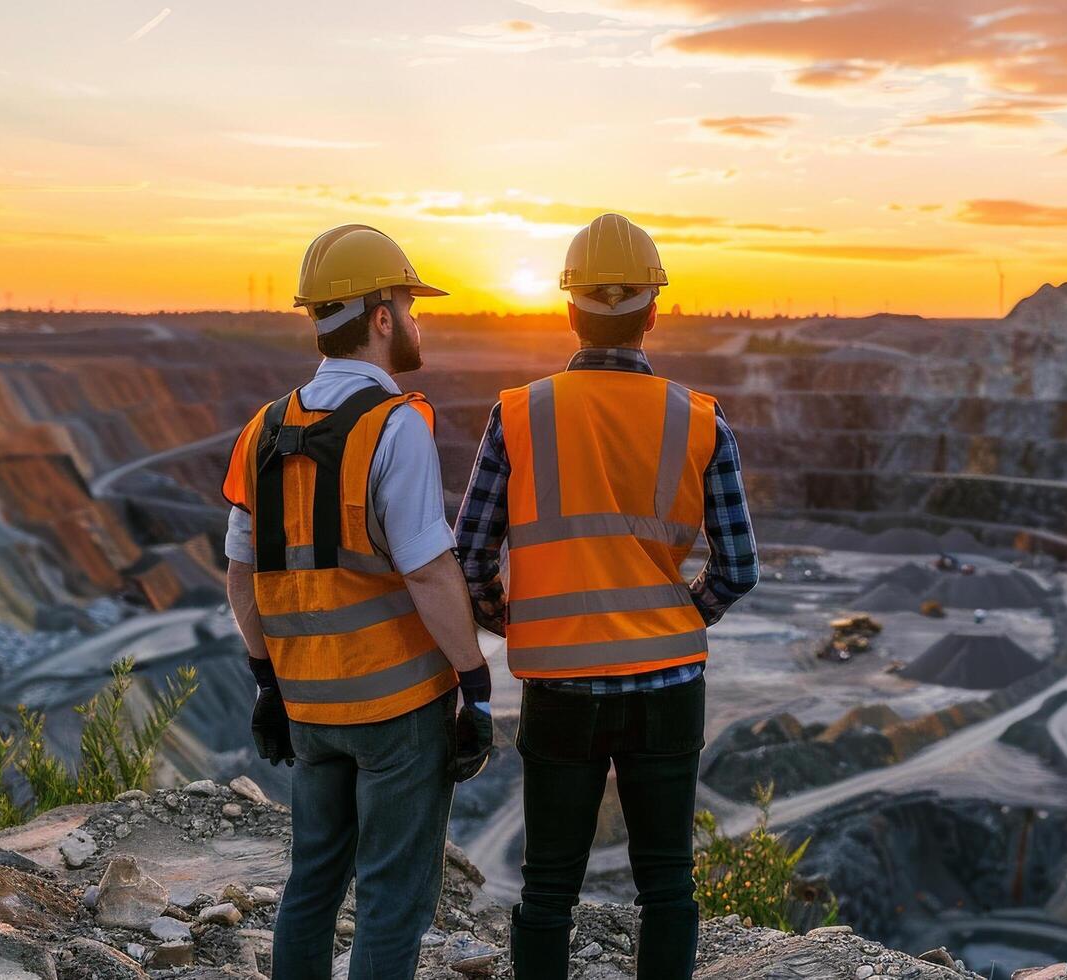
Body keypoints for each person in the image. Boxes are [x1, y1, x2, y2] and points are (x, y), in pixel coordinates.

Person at [455, 213, 758, 978]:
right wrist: (685, 614)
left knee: (549, 885)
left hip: (559, 683)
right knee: (667, 883)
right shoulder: (698, 418)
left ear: (568, 310)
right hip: (668, 683)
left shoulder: (519, 414)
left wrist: (509, 615)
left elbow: (468, 555)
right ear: (653, 312)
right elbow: (738, 566)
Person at [222, 224, 497, 980]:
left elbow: (241, 573)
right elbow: (430, 572)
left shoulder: (264, 429)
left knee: (312, 884)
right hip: (397, 709)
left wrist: (266, 682)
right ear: (381, 316)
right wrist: (474, 685)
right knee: (391, 898)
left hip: (310, 708)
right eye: (411, 304)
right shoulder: (395, 425)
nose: (418, 320)